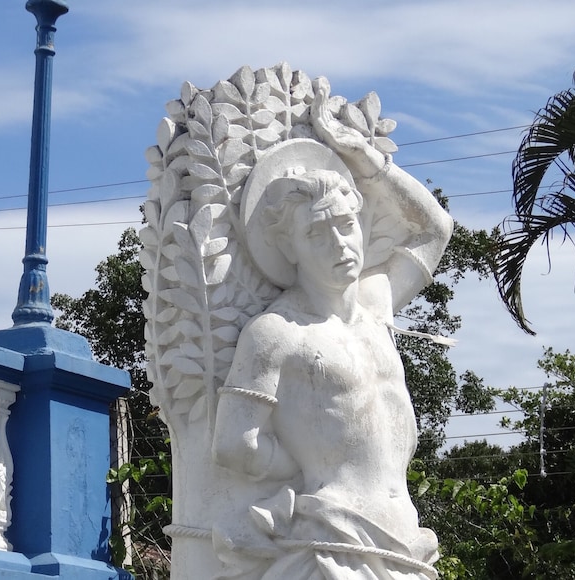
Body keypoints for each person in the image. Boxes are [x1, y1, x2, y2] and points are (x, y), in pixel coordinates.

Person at [210, 78, 454, 579]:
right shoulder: (276, 331)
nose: (339, 243)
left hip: (405, 543)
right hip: (330, 542)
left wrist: (364, 156)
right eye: (316, 233)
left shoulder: (376, 303)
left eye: (344, 225)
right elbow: (234, 444)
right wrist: (310, 480)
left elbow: (435, 231)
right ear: (289, 247)